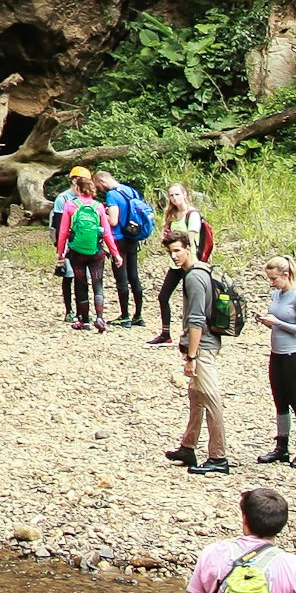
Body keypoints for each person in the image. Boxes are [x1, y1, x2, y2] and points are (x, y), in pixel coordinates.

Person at [165, 237, 230, 474]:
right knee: (196, 397)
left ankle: (218, 457)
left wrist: (191, 356)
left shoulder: (194, 277)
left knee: (211, 399)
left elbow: (196, 320)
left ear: (188, 249)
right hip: (202, 346)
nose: (174, 256)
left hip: (202, 347)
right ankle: (188, 446)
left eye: (178, 251)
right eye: (171, 252)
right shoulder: (201, 271)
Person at [259, 255, 296, 466]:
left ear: (286, 275)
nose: (272, 283)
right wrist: (268, 322)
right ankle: (281, 445)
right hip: (277, 354)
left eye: (274, 279)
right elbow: (276, 322)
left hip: (294, 355)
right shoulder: (277, 295)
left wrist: (278, 322)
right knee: (279, 400)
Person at [150, 185, 215, 345]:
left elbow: (190, 239)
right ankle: (166, 333)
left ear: (185, 194)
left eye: (177, 194)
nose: (174, 198)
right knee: (163, 296)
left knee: (191, 299)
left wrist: (174, 240)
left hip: (190, 262)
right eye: (171, 195)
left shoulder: (192, 215)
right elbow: (166, 237)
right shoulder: (172, 215)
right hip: (175, 263)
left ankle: (194, 334)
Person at [52, 168, 113, 331]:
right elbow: (106, 232)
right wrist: (115, 253)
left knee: (81, 283)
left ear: (78, 187)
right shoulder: (98, 206)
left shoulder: (69, 205)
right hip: (96, 250)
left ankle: (84, 321)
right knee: (98, 283)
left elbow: (62, 231)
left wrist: (60, 252)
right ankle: (100, 318)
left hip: (76, 251)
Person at [101, 170, 154, 326]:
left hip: (119, 239)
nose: (100, 189)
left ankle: (124, 316)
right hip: (133, 237)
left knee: (121, 278)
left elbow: (113, 221)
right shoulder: (130, 190)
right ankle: (138, 315)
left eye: (99, 186)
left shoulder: (112, 195)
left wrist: (104, 213)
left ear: (103, 181)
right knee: (134, 277)